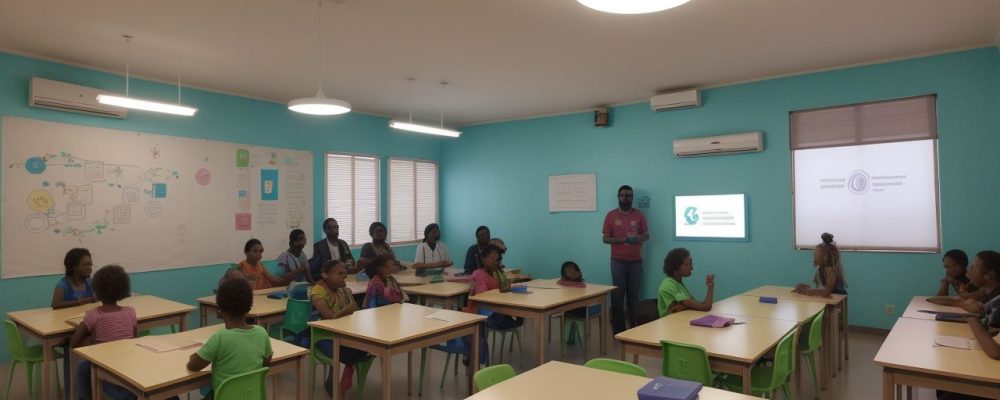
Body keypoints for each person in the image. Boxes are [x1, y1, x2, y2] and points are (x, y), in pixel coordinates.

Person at [187, 278, 272, 399]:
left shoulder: (220, 338)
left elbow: (193, 366)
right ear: (249, 307)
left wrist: (193, 356)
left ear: (219, 309)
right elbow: (266, 363)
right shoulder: (261, 333)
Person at [70, 265, 138, 400]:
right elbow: (134, 338)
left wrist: (92, 340)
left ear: (97, 290)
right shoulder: (131, 312)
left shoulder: (93, 315)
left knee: (83, 367)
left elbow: (73, 344)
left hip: (105, 371)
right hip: (128, 367)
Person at [311, 260, 372, 397]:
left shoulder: (342, 290)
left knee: (364, 348)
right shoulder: (318, 291)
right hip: (323, 337)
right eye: (340, 273)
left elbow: (356, 312)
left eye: (345, 272)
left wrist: (349, 308)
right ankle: (337, 383)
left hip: (343, 334)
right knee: (354, 352)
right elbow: (328, 317)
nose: (345, 275)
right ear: (325, 275)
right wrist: (346, 310)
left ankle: (337, 380)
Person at [602, 185, 649, 333]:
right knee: (617, 297)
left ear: (632, 198)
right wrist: (623, 240)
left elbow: (646, 235)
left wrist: (638, 238)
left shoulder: (639, 215)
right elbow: (605, 239)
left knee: (633, 298)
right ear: (618, 197)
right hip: (617, 262)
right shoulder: (611, 216)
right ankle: (619, 331)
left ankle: (634, 331)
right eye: (622, 195)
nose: (625, 198)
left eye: (629, 196)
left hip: (636, 262)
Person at [657, 248, 715, 317]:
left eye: (691, 264)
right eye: (687, 264)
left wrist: (710, 286)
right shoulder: (668, 284)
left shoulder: (679, 284)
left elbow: (703, 305)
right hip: (671, 323)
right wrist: (689, 307)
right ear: (676, 267)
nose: (692, 267)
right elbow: (705, 307)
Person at [793, 232, 847, 297]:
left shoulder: (831, 271)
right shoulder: (820, 268)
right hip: (829, 299)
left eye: (815, 254)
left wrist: (809, 291)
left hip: (838, 299)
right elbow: (821, 288)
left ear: (825, 257)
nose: (814, 257)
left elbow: (827, 291)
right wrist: (806, 287)